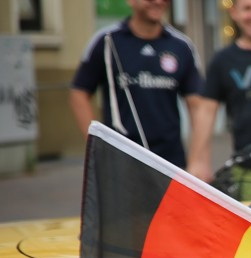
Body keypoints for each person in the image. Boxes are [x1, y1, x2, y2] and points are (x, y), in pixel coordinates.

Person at [70, 0, 207, 171]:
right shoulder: (107, 41)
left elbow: (198, 105)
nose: (158, 2)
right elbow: (79, 93)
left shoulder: (181, 46)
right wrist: (95, 146)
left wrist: (198, 160)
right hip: (120, 162)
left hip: (171, 163)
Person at [188, 0, 251, 183]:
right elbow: (206, 111)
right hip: (248, 166)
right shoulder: (223, 60)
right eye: (247, 9)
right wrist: (198, 162)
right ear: (234, 13)